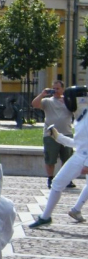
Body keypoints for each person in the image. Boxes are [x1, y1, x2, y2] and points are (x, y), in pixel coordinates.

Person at [30, 86, 88, 227]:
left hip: (82, 157)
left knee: (57, 184)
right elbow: (80, 143)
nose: (64, 100)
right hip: (82, 154)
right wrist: (59, 137)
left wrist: (87, 163)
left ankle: (45, 217)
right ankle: (76, 210)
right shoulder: (81, 116)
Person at [32, 80, 76, 190]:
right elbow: (35, 104)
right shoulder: (47, 101)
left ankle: (67, 179)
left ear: (62, 89)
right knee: (50, 158)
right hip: (50, 135)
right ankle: (50, 178)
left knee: (67, 159)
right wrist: (42, 94)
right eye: (54, 88)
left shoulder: (68, 102)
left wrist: (67, 100)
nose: (55, 91)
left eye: (57, 88)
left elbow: (78, 111)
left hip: (67, 134)